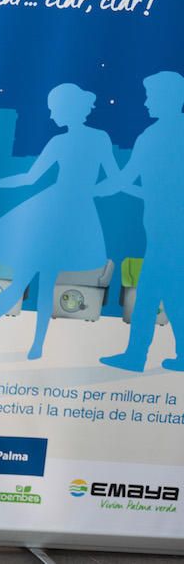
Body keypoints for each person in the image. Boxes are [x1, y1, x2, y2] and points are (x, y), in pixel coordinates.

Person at [0, 83, 120, 360]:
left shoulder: (79, 140)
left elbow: (31, 179)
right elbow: (112, 180)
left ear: (66, 108)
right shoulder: (87, 139)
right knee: (40, 283)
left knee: (29, 281)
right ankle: (20, 341)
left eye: (54, 108)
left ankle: (2, 335)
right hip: (62, 213)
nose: (51, 113)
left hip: (61, 215)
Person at [99, 71, 184, 372]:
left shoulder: (153, 136)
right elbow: (148, 188)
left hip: (165, 234)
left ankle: (135, 357)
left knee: (149, 295)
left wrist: (95, 188)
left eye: (152, 96)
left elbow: (124, 179)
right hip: (170, 231)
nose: (147, 103)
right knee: (174, 294)